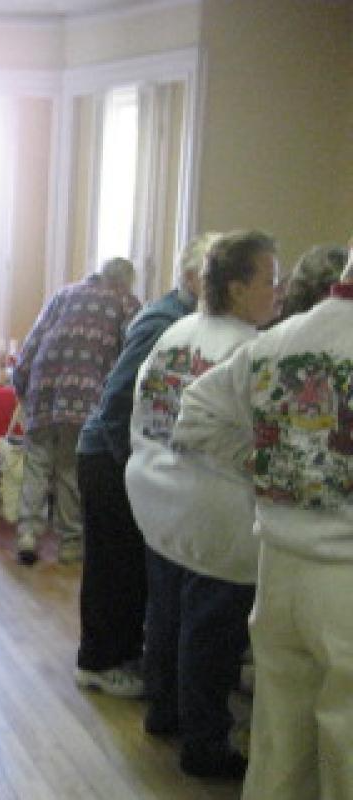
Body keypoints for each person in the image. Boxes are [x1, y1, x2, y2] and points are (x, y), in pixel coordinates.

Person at [172, 246, 353, 800]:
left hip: (278, 567)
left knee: (278, 744)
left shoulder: (280, 339)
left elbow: (196, 410)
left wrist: (267, 466)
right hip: (344, 574)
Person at [125, 230, 279, 779]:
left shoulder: (175, 333)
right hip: (215, 510)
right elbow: (251, 437)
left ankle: (164, 711)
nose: (278, 293)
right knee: (212, 634)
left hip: (157, 495)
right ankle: (205, 744)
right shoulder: (250, 351)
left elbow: (145, 411)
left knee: (166, 614)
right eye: (269, 280)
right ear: (237, 288)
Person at [73, 233, 216, 699]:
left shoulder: (185, 319)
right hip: (109, 455)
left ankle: (121, 654)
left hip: (121, 455)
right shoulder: (163, 322)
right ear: (194, 277)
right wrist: (132, 468)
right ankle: (99, 660)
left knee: (128, 565)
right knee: (112, 565)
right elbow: (117, 399)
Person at [11, 257, 140, 565]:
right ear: (125, 281)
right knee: (70, 467)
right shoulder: (126, 303)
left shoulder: (65, 294)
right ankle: (70, 542)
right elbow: (130, 354)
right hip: (85, 394)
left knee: (36, 463)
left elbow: (32, 342)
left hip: (43, 387)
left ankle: (28, 533)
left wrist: (21, 384)